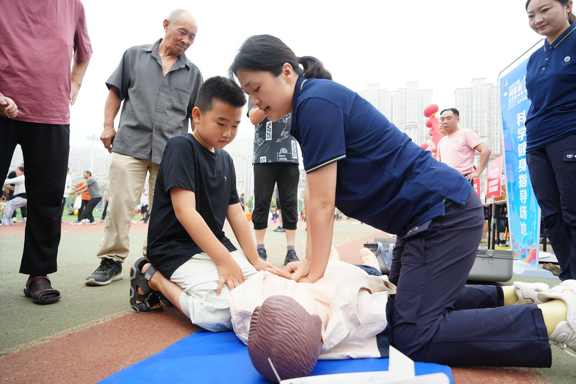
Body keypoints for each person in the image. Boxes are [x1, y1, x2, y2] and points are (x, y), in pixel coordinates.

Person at [229, 34, 576, 366]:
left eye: (256, 89)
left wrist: (314, 270)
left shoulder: (316, 102)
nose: (255, 102)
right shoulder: (310, 104)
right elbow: (317, 196)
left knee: (413, 335)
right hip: (424, 220)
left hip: (443, 215)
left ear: (286, 72)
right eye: (248, 94)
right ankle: (519, 295)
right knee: (402, 304)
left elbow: (322, 202)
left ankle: (559, 316)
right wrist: (310, 262)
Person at [128, 77, 273, 331]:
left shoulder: (226, 159)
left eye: (235, 126)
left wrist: (255, 261)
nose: (228, 133)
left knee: (265, 296)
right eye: (221, 123)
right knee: (220, 313)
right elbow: (185, 212)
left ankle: (202, 278)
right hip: (174, 249)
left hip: (214, 245)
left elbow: (236, 214)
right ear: (197, 115)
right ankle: (153, 277)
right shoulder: (181, 147)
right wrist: (224, 261)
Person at [85, 9, 203, 286]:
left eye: (193, 37)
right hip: (130, 145)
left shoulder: (193, 72)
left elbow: (196, 116)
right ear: (166, 25)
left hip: (170, 153)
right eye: (182, 32)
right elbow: (115, 93)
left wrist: (196, 151)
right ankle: (111, 261)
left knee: (166, 212)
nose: (186, 40)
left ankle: (155, 262)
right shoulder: (134, 56)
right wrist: (107, 125)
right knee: (119, 206)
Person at [0, 0, 92, 304]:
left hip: (51, 112)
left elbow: (84, 53)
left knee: (48, 198)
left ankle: (38, 274)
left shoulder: (72, 5)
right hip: (2, 105)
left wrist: (75, 82)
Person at [525, 0, 576, 281]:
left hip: (568, 134)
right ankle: (568, 281)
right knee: (552, 216)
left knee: (573, 211)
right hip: (536, 141)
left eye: (545, 10)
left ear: (567, 6)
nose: (537, 19)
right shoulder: (534, 58)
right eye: (531, 15)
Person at [249, 108, 300, 264]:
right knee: (262, 201)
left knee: (290, 202)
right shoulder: (258, 93)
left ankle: (291, 250)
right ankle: (260, 249)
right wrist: (269, 103)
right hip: (263, 156)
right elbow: (253, 118)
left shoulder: (293, 95)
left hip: (290, 157)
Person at [437, 108, 491, 182]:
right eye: (442, 119)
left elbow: (485, 150)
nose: (445, 121)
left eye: (449, 118)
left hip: (462, 178)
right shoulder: (442, 141)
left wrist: (478, 172)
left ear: (458, 119)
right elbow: (440, 163)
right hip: (445, 180)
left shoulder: (466, 133)